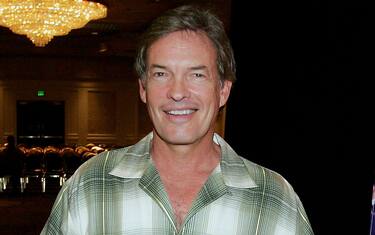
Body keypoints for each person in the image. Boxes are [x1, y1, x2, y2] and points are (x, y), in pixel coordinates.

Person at [41, 5, 314, 234]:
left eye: (197, 75)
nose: (178, 92)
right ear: (143, 88)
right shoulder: (89, 186)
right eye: (161, 74)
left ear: (223, 90)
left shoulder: (274, 199)